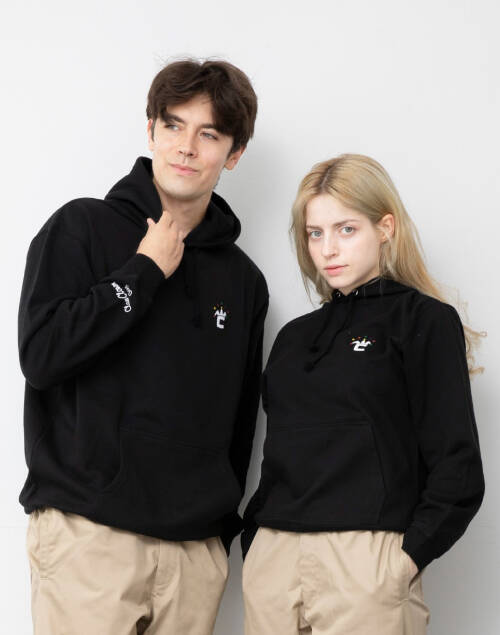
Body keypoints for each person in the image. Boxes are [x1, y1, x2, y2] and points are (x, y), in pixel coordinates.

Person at [18, 58, 268, 634]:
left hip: (192, 555)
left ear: (233, 154)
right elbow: (42, 356)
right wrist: (143, 273)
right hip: (90, 536)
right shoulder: (81, 227)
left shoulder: (244, 282)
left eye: (209, 134)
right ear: (151, 129)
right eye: (174, 125)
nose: (187, 147)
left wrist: (218, 531)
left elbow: (239, 423)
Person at [241, 154, 485, 634]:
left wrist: (404, 560)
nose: (328, 248)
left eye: (346, 229)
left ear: (385, 227)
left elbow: (457, 465)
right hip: (274, 559)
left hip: (366, 560)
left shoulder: (423, 321)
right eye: (315, 233)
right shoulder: (293, 337)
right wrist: (256, 542)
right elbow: (278, 453)